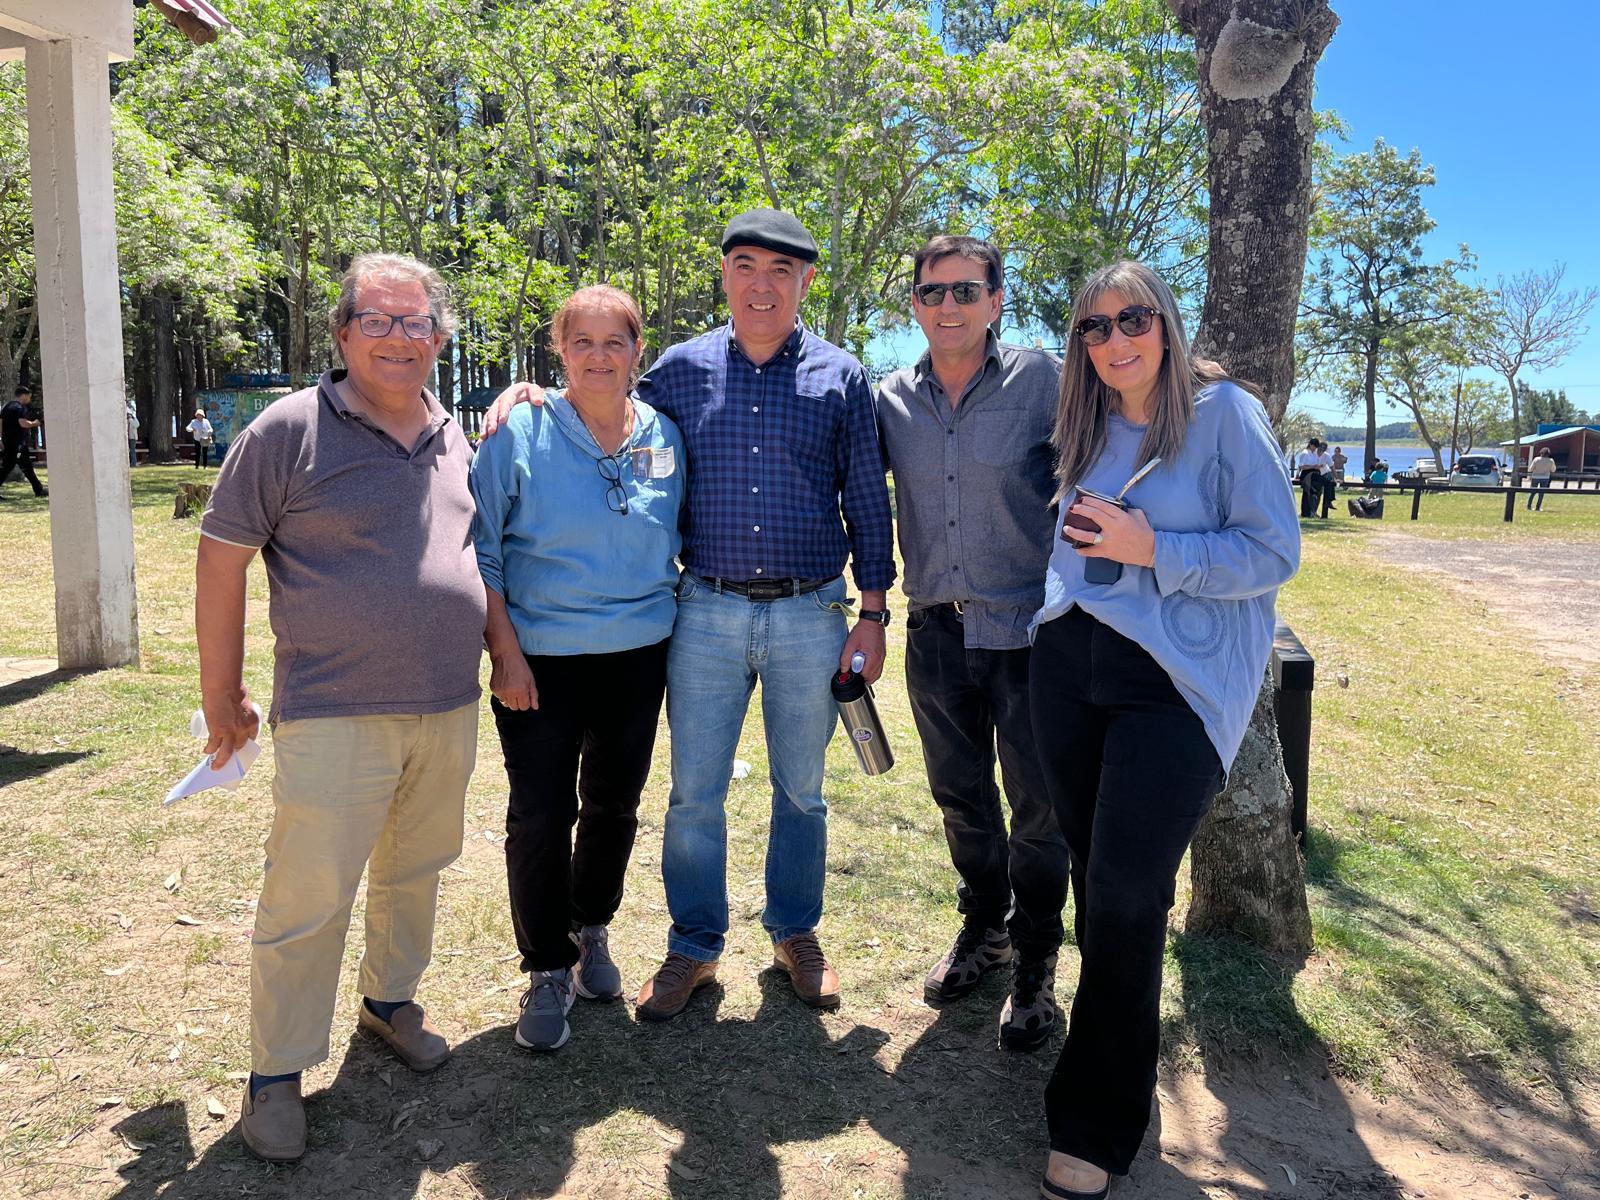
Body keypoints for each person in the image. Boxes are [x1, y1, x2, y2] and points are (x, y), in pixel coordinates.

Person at [486, 209, 895, 1021]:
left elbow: (866, 499)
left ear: (806, 280)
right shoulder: (679, 368)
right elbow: (595, 398)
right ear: (725, 276)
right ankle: (695, 946)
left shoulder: (842, 377)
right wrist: (522, 392)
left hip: (811, 610)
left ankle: (795, 933)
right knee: (692, 794)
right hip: (703, 610)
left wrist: (874, 609)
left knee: (802, 792)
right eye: (745, 265)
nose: (761, 284)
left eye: (781, 271)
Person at [196, 253, 485, 1162]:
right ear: (343, 332)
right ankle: (276, 1072)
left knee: (419, 867)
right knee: (309, 894)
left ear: (439, 338)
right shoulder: (290, 429)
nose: (400, 340)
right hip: (332, 709)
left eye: (417, 324)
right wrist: (222, 694)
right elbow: (220, 559)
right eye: (380, 321)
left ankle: (389, 1002)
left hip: (446, 704)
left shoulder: (455, 434)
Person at [1028, 261, 1300, 1199]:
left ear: (1166, 323)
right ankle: (1101, 1048)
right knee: (1090, 873)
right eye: (1093, 329)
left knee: (1127, 889)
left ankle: (1096, 1124)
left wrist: (1156, 551)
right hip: (1069, 668)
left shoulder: (1224, 414)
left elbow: (1275, 551)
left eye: (1131, 318)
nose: (1114, 341)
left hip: (1174, 684)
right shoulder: (1087, 419)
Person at [470, 286, 686, 1052]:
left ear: (637, 352)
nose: (599, 356)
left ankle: (591, 928)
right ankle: (547, 967)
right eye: (582, 342)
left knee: (614, 808)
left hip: (638, 658)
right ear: (559, 351)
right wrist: (506, 653)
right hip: (542, 661)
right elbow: (483, 550)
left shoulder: (663, 431)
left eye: (615, 342)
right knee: (538, 814)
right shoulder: (517, 431)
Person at [875, 235, 1069, 1050]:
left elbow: (1122, 432)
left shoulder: (1049, 381)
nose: (946, 306)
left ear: (996, 301)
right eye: (931, 293)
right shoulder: (887, 398)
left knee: (1038, 810)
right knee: (960, 799)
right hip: (935, 632)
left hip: (1029, 632)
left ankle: (1035, 964)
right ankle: (985, 929)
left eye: (964, 291)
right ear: (913, 305)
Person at [0, 385, 47, 498]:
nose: (29, 399)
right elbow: (23, 423)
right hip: (17, 445)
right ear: (24, 395)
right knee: (7, 467)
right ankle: (39, 490)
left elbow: (1, 424)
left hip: (9, 442)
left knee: (27, 467)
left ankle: (39, 490)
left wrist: (1, 439)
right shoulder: (20, 408)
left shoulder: (6, 407)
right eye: (29, 397)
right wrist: (35, 423)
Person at [1293, 437, 1320, 518]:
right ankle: (1305, 512)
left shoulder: (1314, 453)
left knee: (1315, 493)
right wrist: (1313, 466)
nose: (1315, 448)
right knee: (1307, 493)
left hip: (1315, 473)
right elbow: (1301, 466)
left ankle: (1313, 511)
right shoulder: (1305, 453)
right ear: (1310, 445)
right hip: (1307, 473)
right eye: (1314, 446)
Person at [1528, 446, 1556, 510]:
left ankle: (1529, 506)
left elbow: (1530, 469)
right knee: (1541, 493)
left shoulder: (1536, 459)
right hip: (1545, 478)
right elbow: (1553, 470)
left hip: (1535, 477)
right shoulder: (1551, 461)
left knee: (1532, 492)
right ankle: (1538, 507)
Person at [126, 400, 140, 468]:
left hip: (132, 437)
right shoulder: (126, 419)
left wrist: (131, 419)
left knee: (132, 450)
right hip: (127, 437)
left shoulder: (133, 419)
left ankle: (134, 462)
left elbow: (136, 425)